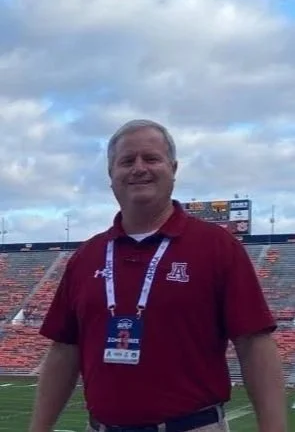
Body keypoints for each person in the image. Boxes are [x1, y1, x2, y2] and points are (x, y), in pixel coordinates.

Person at [29, 119, 287, 432]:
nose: (139, 168)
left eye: (151, 158)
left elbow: (254, 344)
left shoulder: (217, 246)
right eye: (127, 161)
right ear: (111, 175)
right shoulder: (87, 256)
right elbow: (64, 349)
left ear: (173, 169)